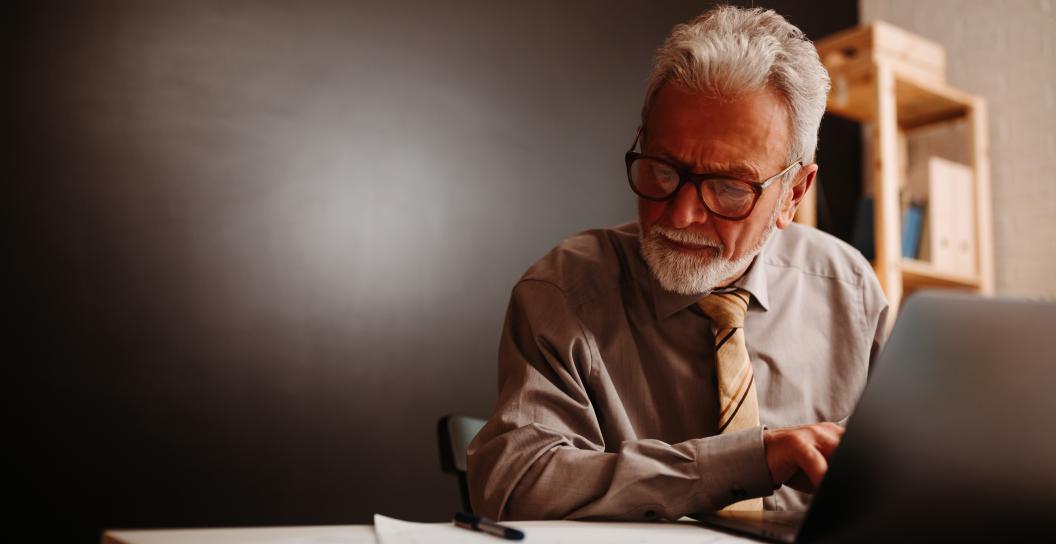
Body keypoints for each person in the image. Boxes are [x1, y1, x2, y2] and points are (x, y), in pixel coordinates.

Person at [467, 5, 888, 521]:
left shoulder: (851, 290)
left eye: (730, 188)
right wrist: (746, 461)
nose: (682, 214)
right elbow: (514, 485)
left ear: (793, 193)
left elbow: (914, 474)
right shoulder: (564, 291)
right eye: (663, 170)